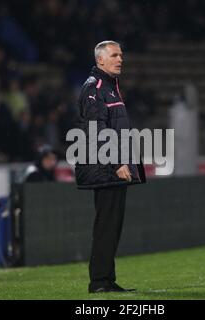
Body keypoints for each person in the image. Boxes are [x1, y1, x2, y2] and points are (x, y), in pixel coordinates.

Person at [74, 41, 146, 293]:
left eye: (121, 55)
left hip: (112, 166)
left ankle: (106, 279)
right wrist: (117, 162)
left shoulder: (110, 87)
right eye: (114, 55)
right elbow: (97, 129)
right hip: (105, 167)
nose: (120, 59)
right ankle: (99, 282)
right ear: (100, 60)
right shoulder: (95, 87)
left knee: (112, 226)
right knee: (106, 225)